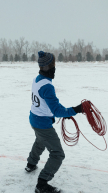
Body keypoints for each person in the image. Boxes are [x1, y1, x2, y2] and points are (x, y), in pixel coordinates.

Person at [25, 51, 83, 193]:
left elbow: (49, 105)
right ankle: (42, 184)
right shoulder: (47, 86)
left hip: (34, 118)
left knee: (40, 141)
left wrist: (65, 112)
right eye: (53, 65)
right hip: (42, 123)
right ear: (48, 66)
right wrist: (76, 109)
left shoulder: (37, 79)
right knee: (57, 154)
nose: (54, 67)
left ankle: (31, 164)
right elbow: (56, 110)